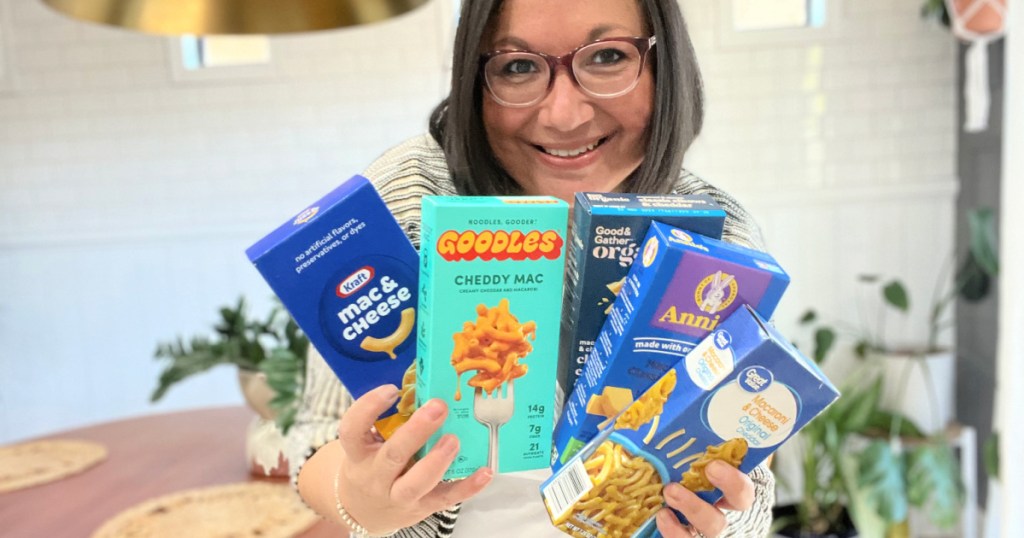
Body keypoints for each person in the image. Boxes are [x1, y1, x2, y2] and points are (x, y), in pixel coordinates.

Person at [289, 1, 775, 537]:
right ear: (476, 75)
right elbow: (315, 440)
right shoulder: (410, 197)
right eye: (517, 66)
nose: (563, 115)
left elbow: (752, 484)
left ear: (666, 65)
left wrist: (724, 521)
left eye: (609, 56)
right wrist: (358, 497)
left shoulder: (719, 241)